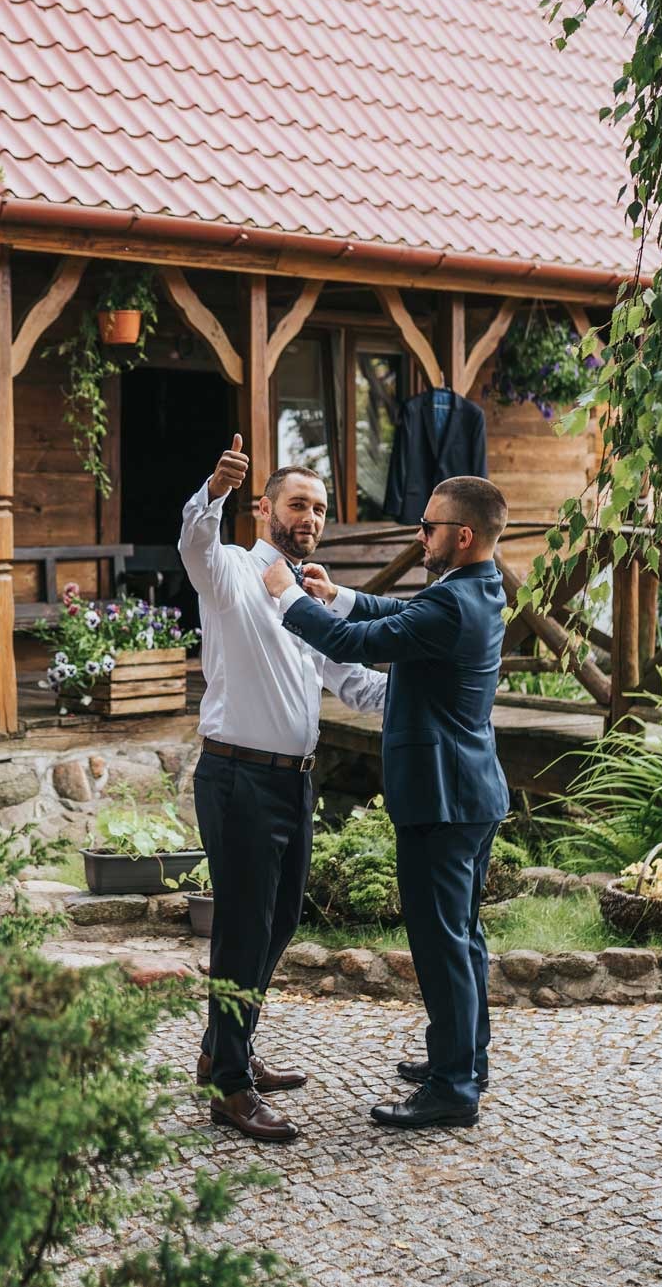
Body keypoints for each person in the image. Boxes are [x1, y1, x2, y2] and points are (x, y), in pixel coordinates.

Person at [262, 475, 509, 1130]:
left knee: (440, 943)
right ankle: (466, 1057)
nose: (417, 535)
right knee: (464, 937)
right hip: (469, 789)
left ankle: (454, 1087)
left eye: (426, 527)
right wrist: (337, 595)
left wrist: (289, 597)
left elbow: (360, 644)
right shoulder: (476, 585)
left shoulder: (453, 604)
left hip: (443, 798)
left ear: (461, 535)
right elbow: (396, 618)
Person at [180, 434, 388, 1143]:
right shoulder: (233, 569)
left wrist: (431, 695)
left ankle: (223, 1045)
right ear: (266, 507)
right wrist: (215, 489)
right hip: (236, 775)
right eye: (300, 503)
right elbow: (193, 543)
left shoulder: (304, 592)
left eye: (321, 509)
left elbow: (352, 680)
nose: (311, 517)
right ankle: (230, 1086)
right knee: (243, 928)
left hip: (294, 782)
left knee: (282, 921)